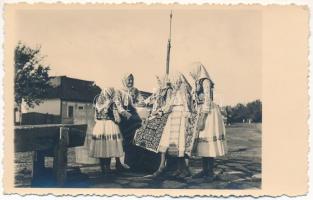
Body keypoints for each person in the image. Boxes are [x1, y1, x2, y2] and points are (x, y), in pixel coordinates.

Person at [148, 72, 194, 178]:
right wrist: (159, 111)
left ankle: (181, 169)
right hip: (173, 115)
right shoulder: (174, 90)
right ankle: (163, 166)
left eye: (172, 80)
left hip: (181, 116)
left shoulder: (182, 87)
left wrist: (187, 116)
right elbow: (169, 105)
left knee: (180, 142)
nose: (171, 82)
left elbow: (186, 104)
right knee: (165, 140)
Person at [189, 63, 228, 181]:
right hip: (202, 111)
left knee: (208, 141)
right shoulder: (198, 82)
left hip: (209, 113)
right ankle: (205, 170)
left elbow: (207, 101)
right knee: (203, 143)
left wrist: (202, 118)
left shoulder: (206, 81)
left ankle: (210, 172)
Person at [89, 87, 132, 175]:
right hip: (101, 124)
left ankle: (107, 167)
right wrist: (107, 103)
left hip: (110, 123)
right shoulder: (99, 99)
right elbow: (99, 109)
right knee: (101, 146)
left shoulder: (114, 100)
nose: (109, 96)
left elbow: (119, 108)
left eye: (110, 94)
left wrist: (125, 113)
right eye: (108, 94)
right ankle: (103, 167)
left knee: (109, 147)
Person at [118, 73, 144, 171]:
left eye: (132, 79)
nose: (130, 81)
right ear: (124, 80)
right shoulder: (119, 91)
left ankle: (134, 163)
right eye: (128, 79)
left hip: (134, 118)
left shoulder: (135, 90)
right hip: (124, 119)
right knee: (125, 141)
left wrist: (140, 102)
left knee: (135, 139)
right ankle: (125, 163)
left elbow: (141, 100)